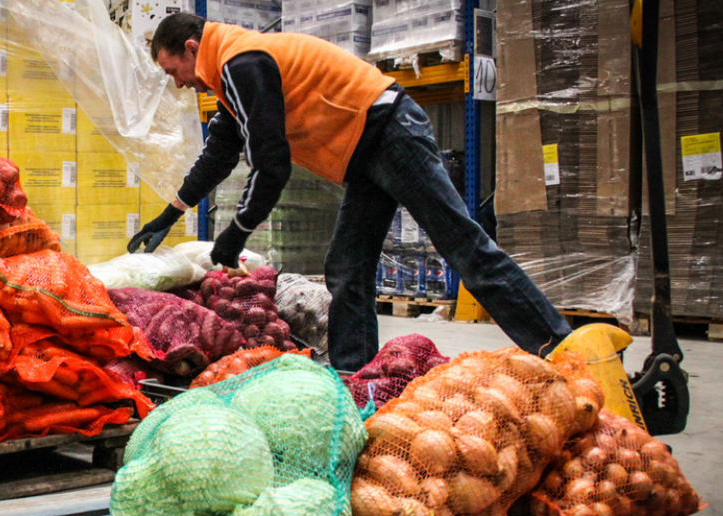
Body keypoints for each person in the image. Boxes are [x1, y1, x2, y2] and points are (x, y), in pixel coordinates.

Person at [128, 12, 572, 371]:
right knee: (345, 267)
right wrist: (167, 216)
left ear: (191, 49)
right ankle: (356, 379)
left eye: (175, 71)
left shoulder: (242, 62)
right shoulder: (230, 77)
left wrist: (235, 235)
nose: (180, 82)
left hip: (388, 133)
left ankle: (565, 350)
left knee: (464, 247)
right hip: (365, 150)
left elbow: (271, 164)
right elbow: (218, 156)